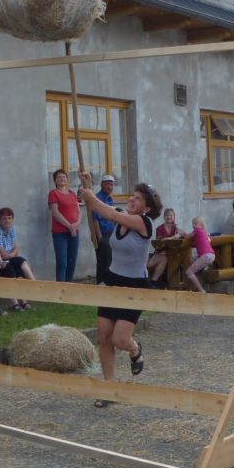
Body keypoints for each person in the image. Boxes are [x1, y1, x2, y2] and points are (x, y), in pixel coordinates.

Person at [78, 173, 162, 406]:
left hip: (135, 287)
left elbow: (109, 213)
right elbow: (100, 209)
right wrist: (87, 186)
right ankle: (109, 389)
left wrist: (91, 196)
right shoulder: (121, 216)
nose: (132, 199)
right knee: (105, 338)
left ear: (147, 207)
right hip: (112, 282)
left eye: (138, 198)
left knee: (120, 339)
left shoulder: (144, 223)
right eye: (132, 196)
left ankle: (134, 349)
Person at [0, 207, 37, 307]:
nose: (7, 221)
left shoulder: (11, 229)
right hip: (0, 262)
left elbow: (16, 247)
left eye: (9, 218)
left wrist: (12, 254)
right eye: (4, 218)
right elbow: (2, 254)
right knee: (20, 261)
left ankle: (23, 301)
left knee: (19, 269)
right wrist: (13, 254)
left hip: (10, 259)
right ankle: (36, 285)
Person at [47, 168, 80, 282]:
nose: (62, 179)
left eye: (64, 177)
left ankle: (69, 286)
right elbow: (55, 213)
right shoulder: (53, 193)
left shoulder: (72, 194)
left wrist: (76, 224)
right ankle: (60, 287)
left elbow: (79, 211)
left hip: (74, 232)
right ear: (55, 180)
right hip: (60, 233)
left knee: (72, 262)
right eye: (59, 177)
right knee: (62, 263)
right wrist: (69, 226)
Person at [89, 174, 117, 283]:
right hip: (102, 234)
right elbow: (95, 218)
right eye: (107, 184)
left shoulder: (110, 198)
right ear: (102, 185)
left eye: (111, 184)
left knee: (110, 260)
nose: (109, 187)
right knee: (104, 260)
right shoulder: (97, 198)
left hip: (111, 233)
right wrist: (99, 235)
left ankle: (108, 282)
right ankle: (101, 282)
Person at [147, 208, 185, 283]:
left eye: (171, 215)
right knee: (150, 265)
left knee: (166, 258)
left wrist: (180, 233)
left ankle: (154, 281)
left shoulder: (176, 228)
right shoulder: (159, 228)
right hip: (160, 251)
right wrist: (174, 237)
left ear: (174, 217)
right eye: (167, 215)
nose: (169, 217)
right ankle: (154, 280)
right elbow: (161, 242)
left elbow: (184, 237)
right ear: (164, 217)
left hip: (172, 253)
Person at [184, 217, 217, 293]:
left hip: (206, 256)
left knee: (189, 272)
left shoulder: (197, 230)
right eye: (193, 223)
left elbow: (186, 236)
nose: (193, 225)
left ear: (201, 225)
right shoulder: (204, 232)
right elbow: (209, 240)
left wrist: (181, 232)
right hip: (211, 255)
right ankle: (202, 269)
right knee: (192, 259)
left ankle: (201, 290)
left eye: (195, 223)